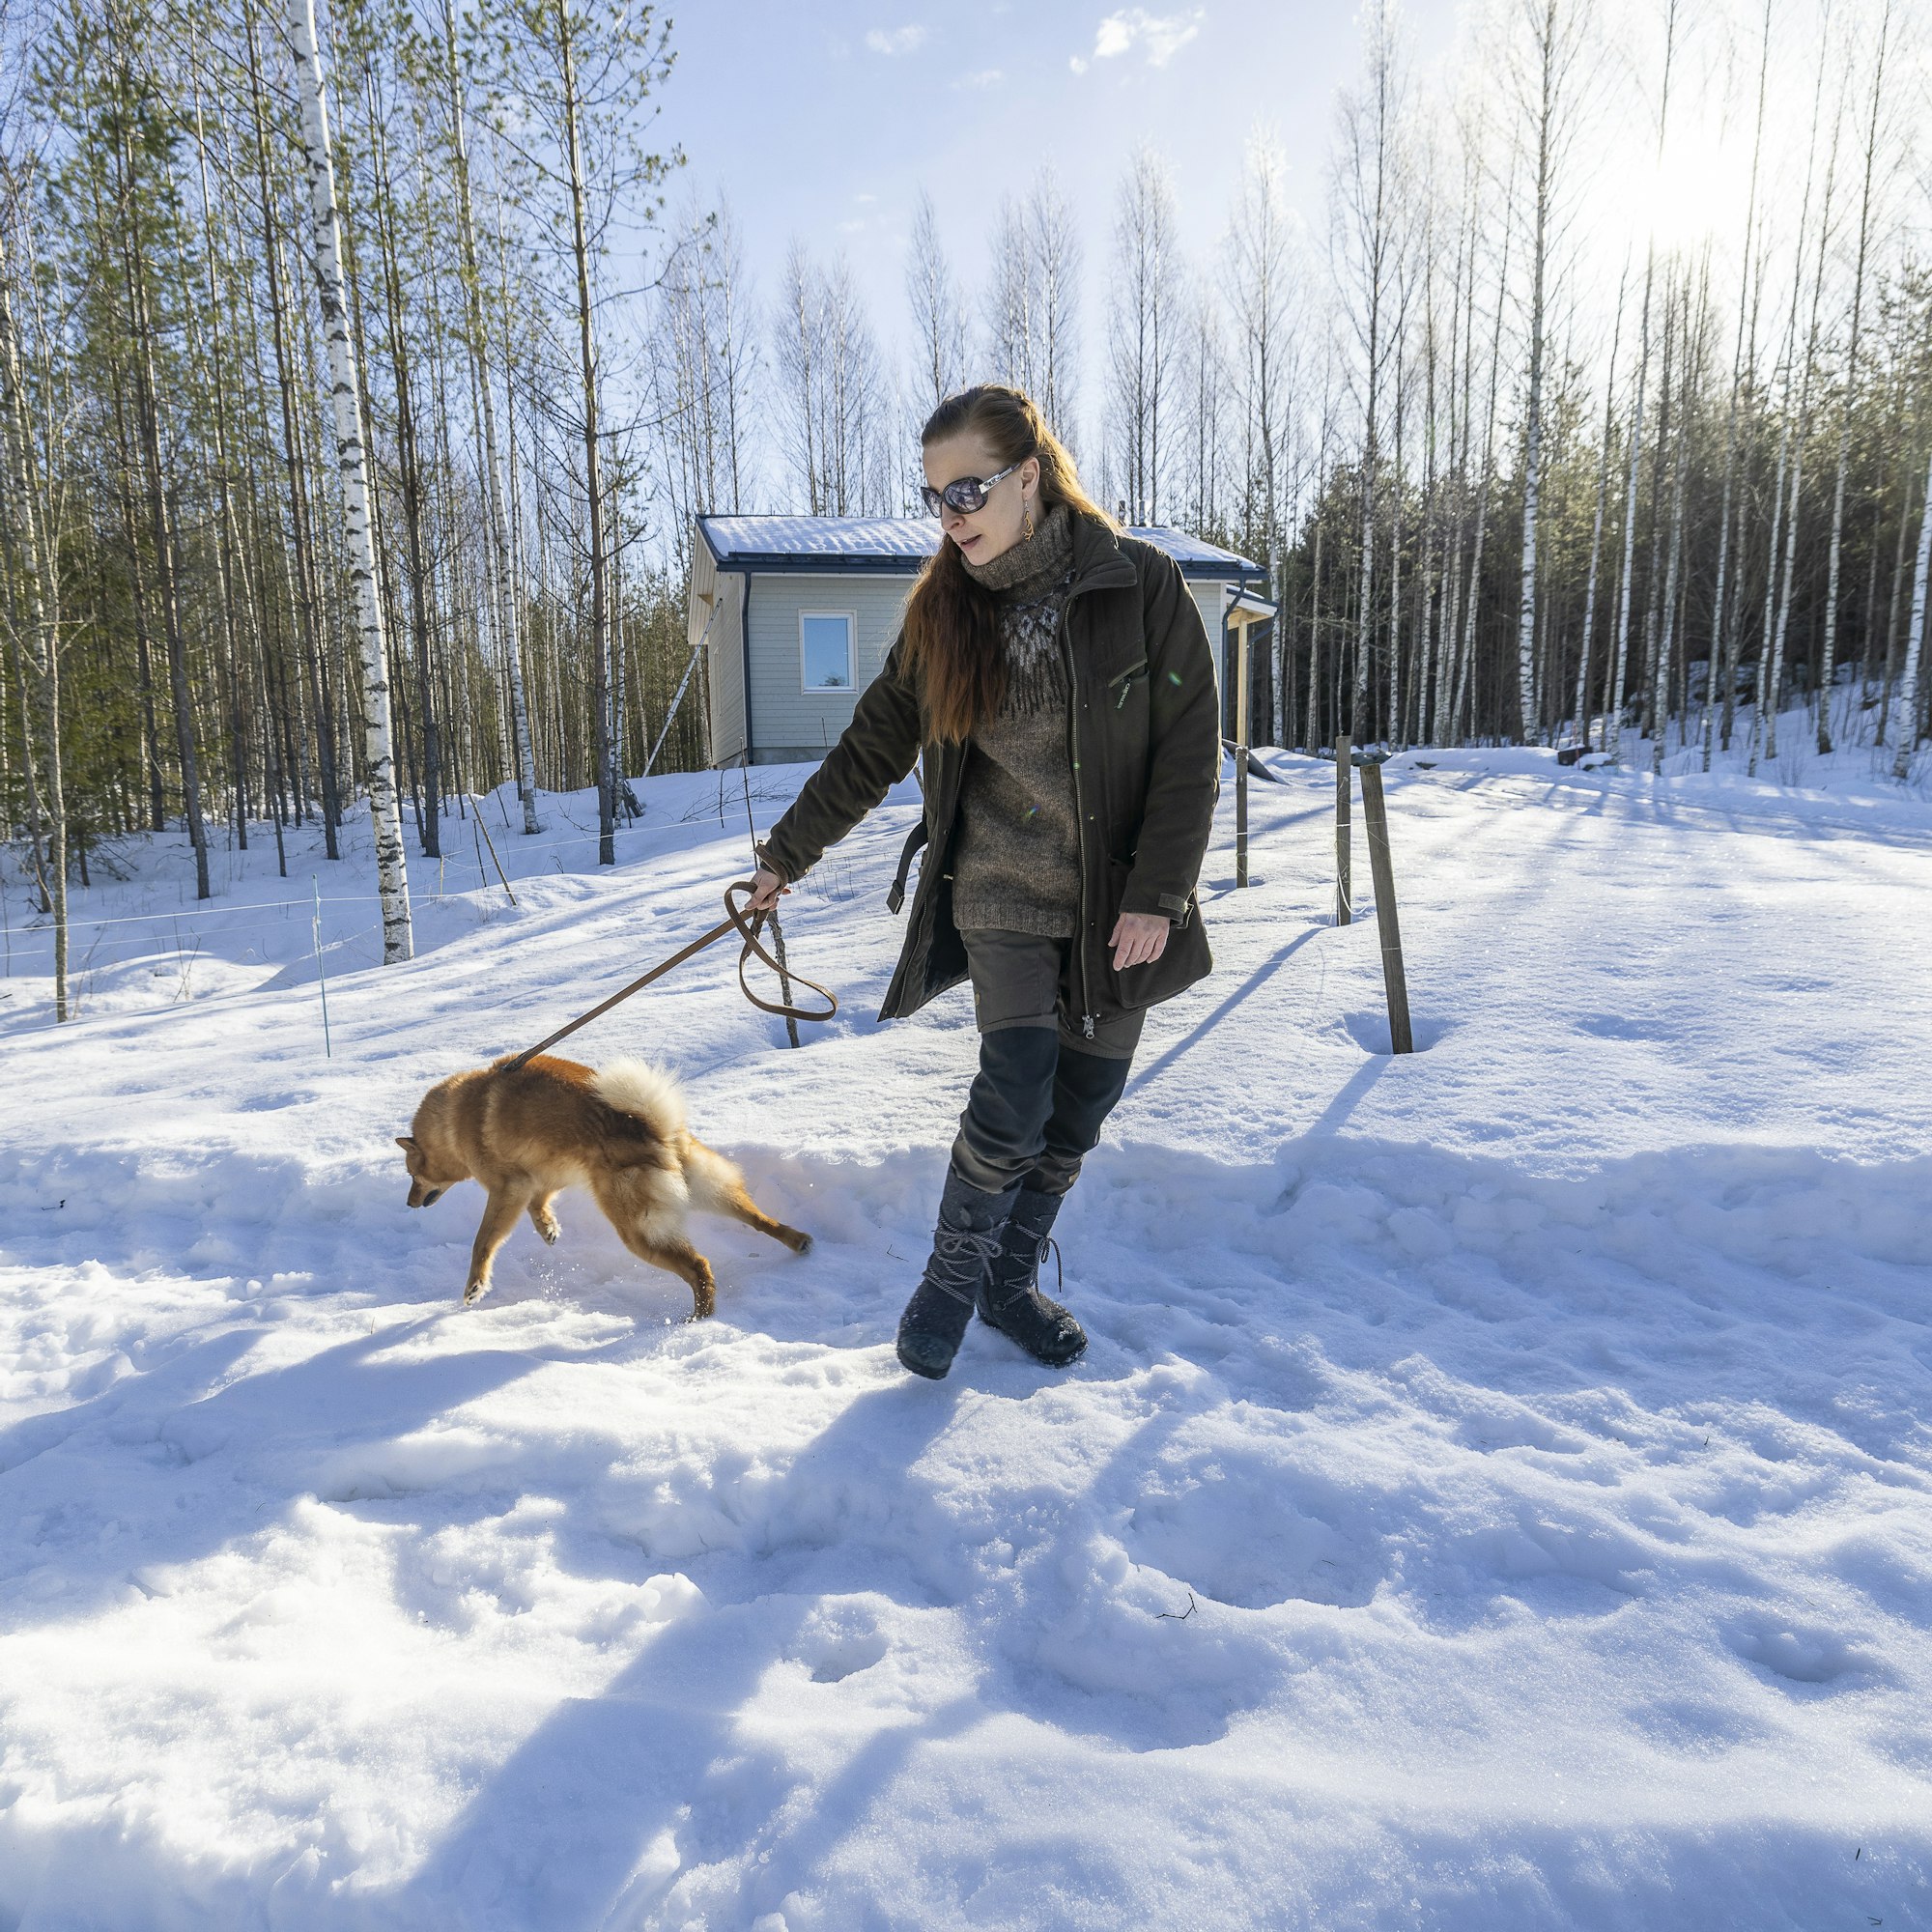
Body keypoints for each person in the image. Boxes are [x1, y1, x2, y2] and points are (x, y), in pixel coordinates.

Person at [749, 384, 1220, 1379]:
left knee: (1077, 1108)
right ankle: (949, 1280)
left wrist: (1156, 893)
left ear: (1028, 480)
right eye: (935, 496)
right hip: (999, 892)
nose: (950, 515)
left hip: (1115, 902)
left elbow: (1187, 751)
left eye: (967, 490)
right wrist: (785, 854)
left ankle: (1009, 1280)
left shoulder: (1139, 586)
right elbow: (869, 744)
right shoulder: (942, 617)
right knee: (1013, 1091)